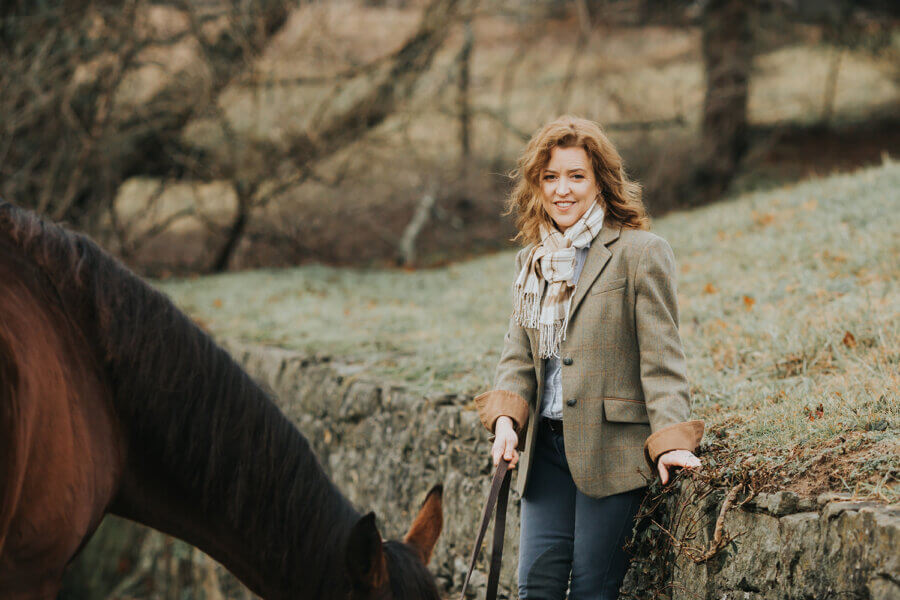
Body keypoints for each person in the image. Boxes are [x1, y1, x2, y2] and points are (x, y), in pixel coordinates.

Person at [474, 115, 704, 600]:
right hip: (545, 453)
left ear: (600, 181)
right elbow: (519, 355)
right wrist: (506, 423)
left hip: (613, 453)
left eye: (576, 176)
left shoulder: (640, 253)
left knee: (591, 592)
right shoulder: (532, 261)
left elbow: (661, 359)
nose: (562, 190)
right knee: (535, 587)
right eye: (550, 177)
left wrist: (670, 440)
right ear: (537, 185)